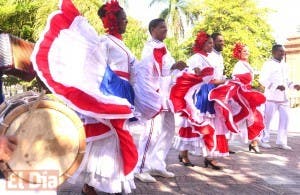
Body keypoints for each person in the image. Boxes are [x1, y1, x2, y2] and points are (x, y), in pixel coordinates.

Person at [31, 0, 139, 194]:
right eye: (123, 19)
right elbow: (94, 65)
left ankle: (104, 183)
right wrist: (102, 94)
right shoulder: (105, 42)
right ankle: (91, 186)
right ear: (113, 21)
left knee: (113, 139)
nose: (126, 22)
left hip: (123, 91)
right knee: (106, 137)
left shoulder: (122, 44)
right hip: (110, 91)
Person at [171, 31, 235, 170]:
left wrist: (222, 81)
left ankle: (209, 156)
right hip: (200, 93)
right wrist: (211, 79)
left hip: (211, 92)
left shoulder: (212, 58)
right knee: (195, 123)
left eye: (212, 43)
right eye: (209, 43)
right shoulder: (195, 58)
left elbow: (213, 76)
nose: (211, 46)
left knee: (210, 124)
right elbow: (193, 75)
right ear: (202, 43)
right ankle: (185, 154)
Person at [134, 18, 186, 183]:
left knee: (168, 130)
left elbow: (166, 71)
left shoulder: (162, 47)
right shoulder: (150, 49)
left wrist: (177, 69)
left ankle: (157, 164)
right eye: (162, 27)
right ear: (153, 29)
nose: (166, 29)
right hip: (156, 97)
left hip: (166, 97)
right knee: (152, 132)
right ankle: (140, 168)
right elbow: (147, 76)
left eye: (166, 27)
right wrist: (151, 98)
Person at [259, 44, 300, 150]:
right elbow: (262, 79)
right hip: (271, 97)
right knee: (267, 119)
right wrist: (276, 87)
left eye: (283, 51)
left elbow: (287, 81)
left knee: (285, 118)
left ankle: (281, 141)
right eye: (280, 51)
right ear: (274, 52)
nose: (283, 53)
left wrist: (294, 85)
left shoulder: (285, 65)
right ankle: (264, 140)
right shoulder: (268, 64)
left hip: (284, 97)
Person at [228, 43, 266, 153]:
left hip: (248, 94)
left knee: (255, 117)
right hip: (240, 95)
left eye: (247, 51)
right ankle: (225, 143)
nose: (247, 53)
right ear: (238, 53)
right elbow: (236, 80)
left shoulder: (246, 64)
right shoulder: (238, 65)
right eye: (244, 51)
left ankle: (254, 142)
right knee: (237, 118)